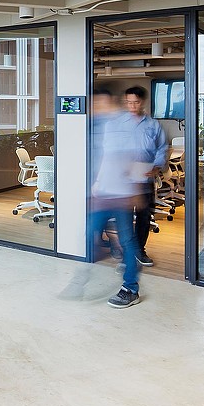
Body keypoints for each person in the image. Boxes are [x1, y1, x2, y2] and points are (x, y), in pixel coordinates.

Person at [86, 89, 151, 308]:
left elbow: (137, 160)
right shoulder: (106, 127)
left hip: (122, 195)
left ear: (110, 102)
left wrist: (136, 190)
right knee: (89, 232)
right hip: (105, 193)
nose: (96, 108)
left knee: (128, 241)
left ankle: (130, 288)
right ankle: (114, 263)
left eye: (99, 103)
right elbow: (106, 158)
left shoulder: (127, 127)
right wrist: (97, 183)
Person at [123, 86, 169, 267]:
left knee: (143, 216)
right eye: (129, 102)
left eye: (135, 102)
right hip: (124, 180)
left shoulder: (153, 125)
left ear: (142, 102)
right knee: (124, 217)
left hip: (145, 178)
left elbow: (162, 147)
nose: (132, 106)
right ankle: (127, 249)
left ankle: (139, 250)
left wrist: (157, 166)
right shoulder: (120, 124)